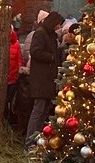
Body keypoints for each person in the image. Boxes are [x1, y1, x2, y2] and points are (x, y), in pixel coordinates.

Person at [25, 11, 65, 145]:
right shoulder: (40, 34)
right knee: (38, 111)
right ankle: (30, 141)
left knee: (44, 111)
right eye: (58, 24)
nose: (59, 27)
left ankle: (37, 139)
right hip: (41, 79)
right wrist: (51, 57)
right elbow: (35, 51)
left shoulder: (51, 36)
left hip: (49, 79)